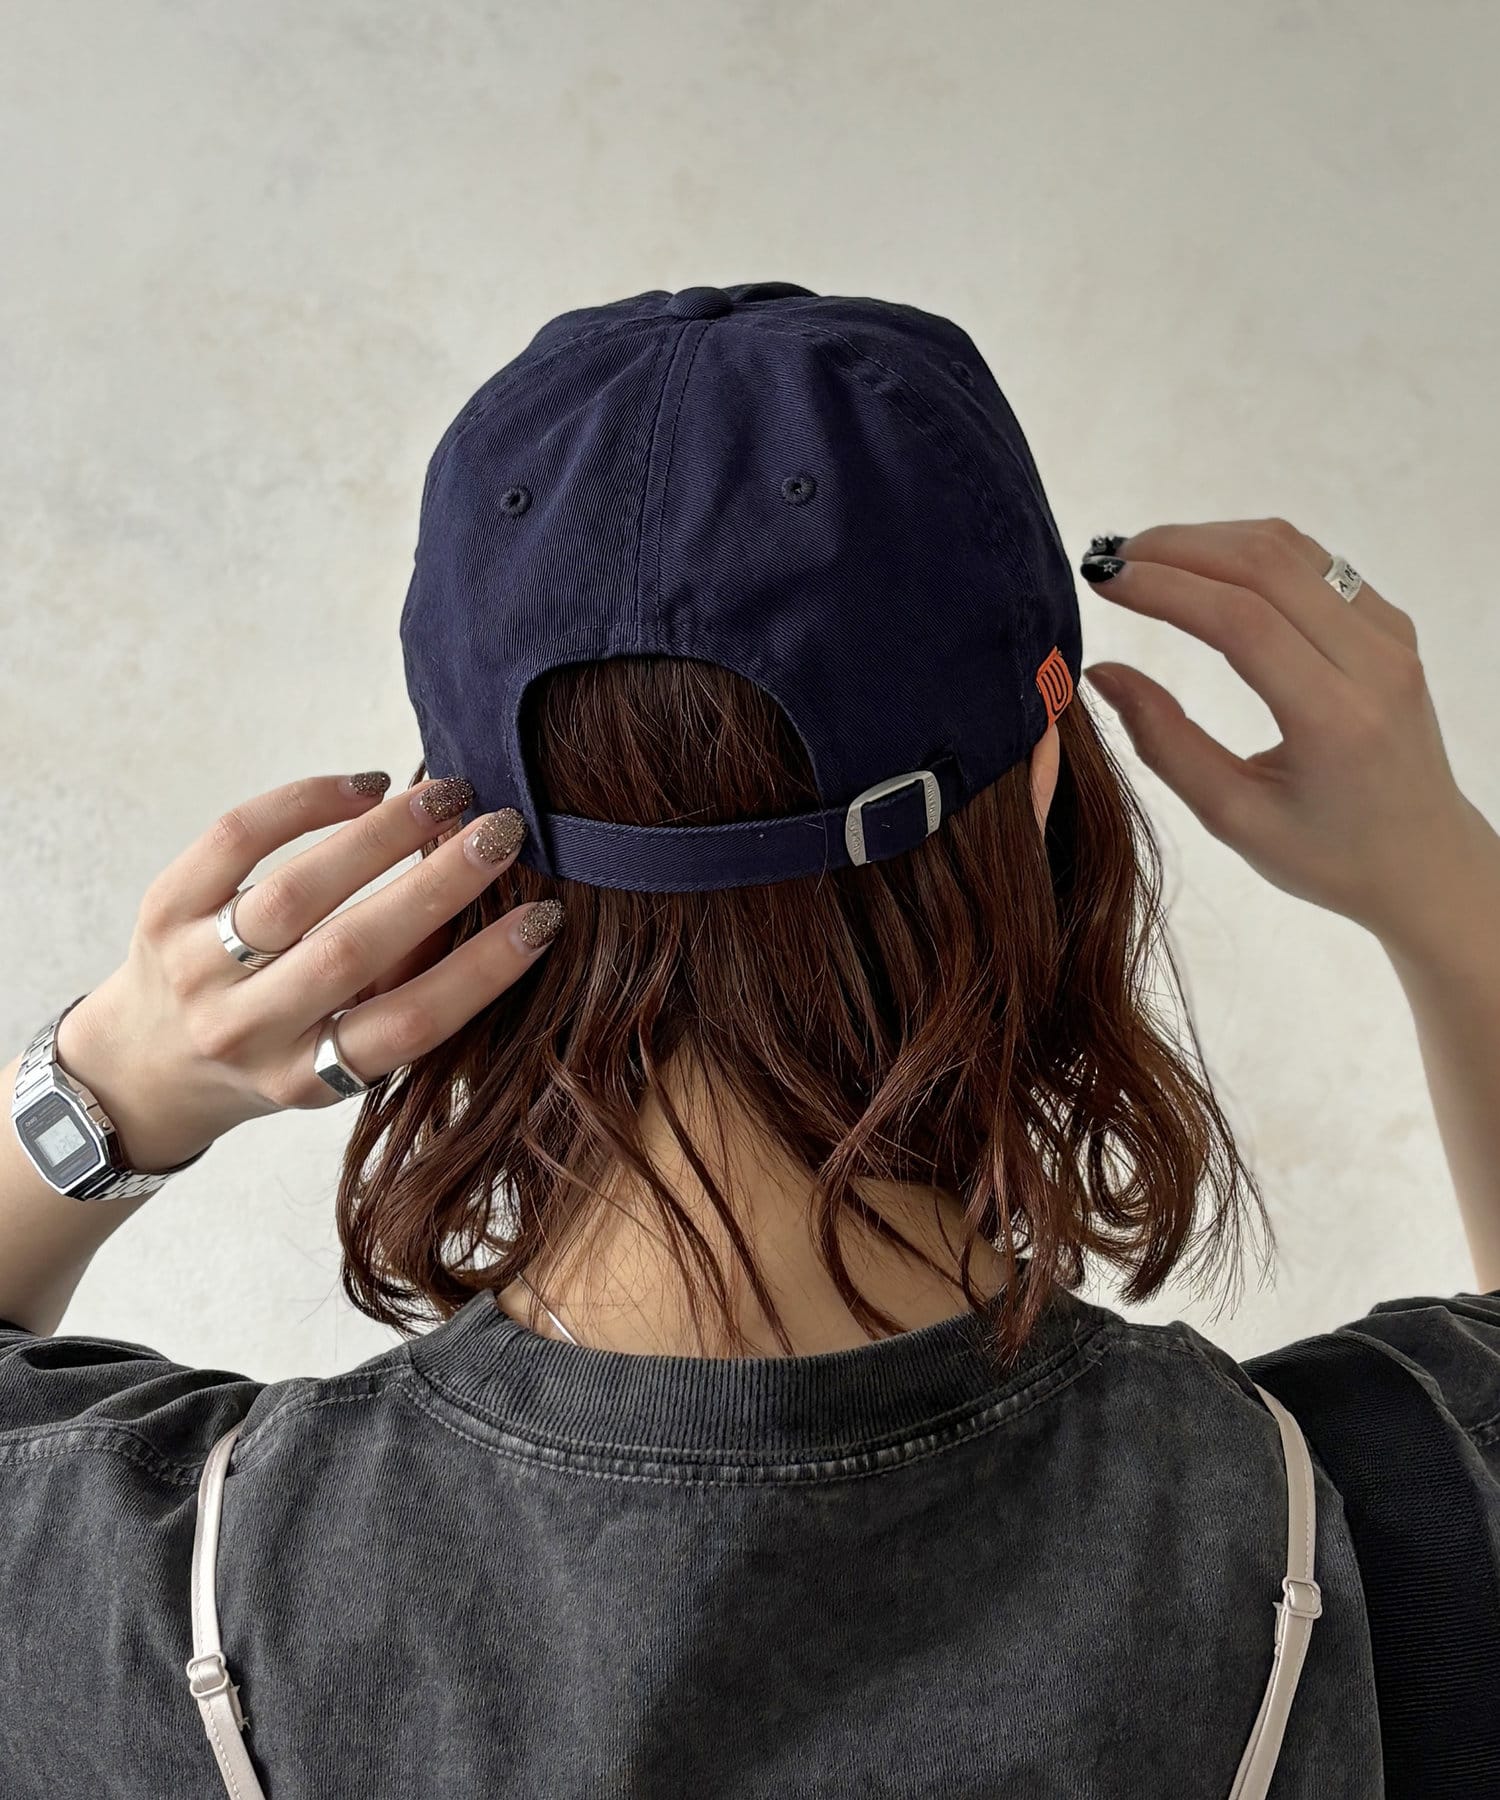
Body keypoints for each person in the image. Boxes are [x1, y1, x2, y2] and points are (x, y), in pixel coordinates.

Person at [3, 283, 1498, 1799]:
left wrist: (108, 1087)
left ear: (444, 851)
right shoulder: (1378, 1536)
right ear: (1045, 772)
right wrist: (1450, 892)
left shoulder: (170, 1608)